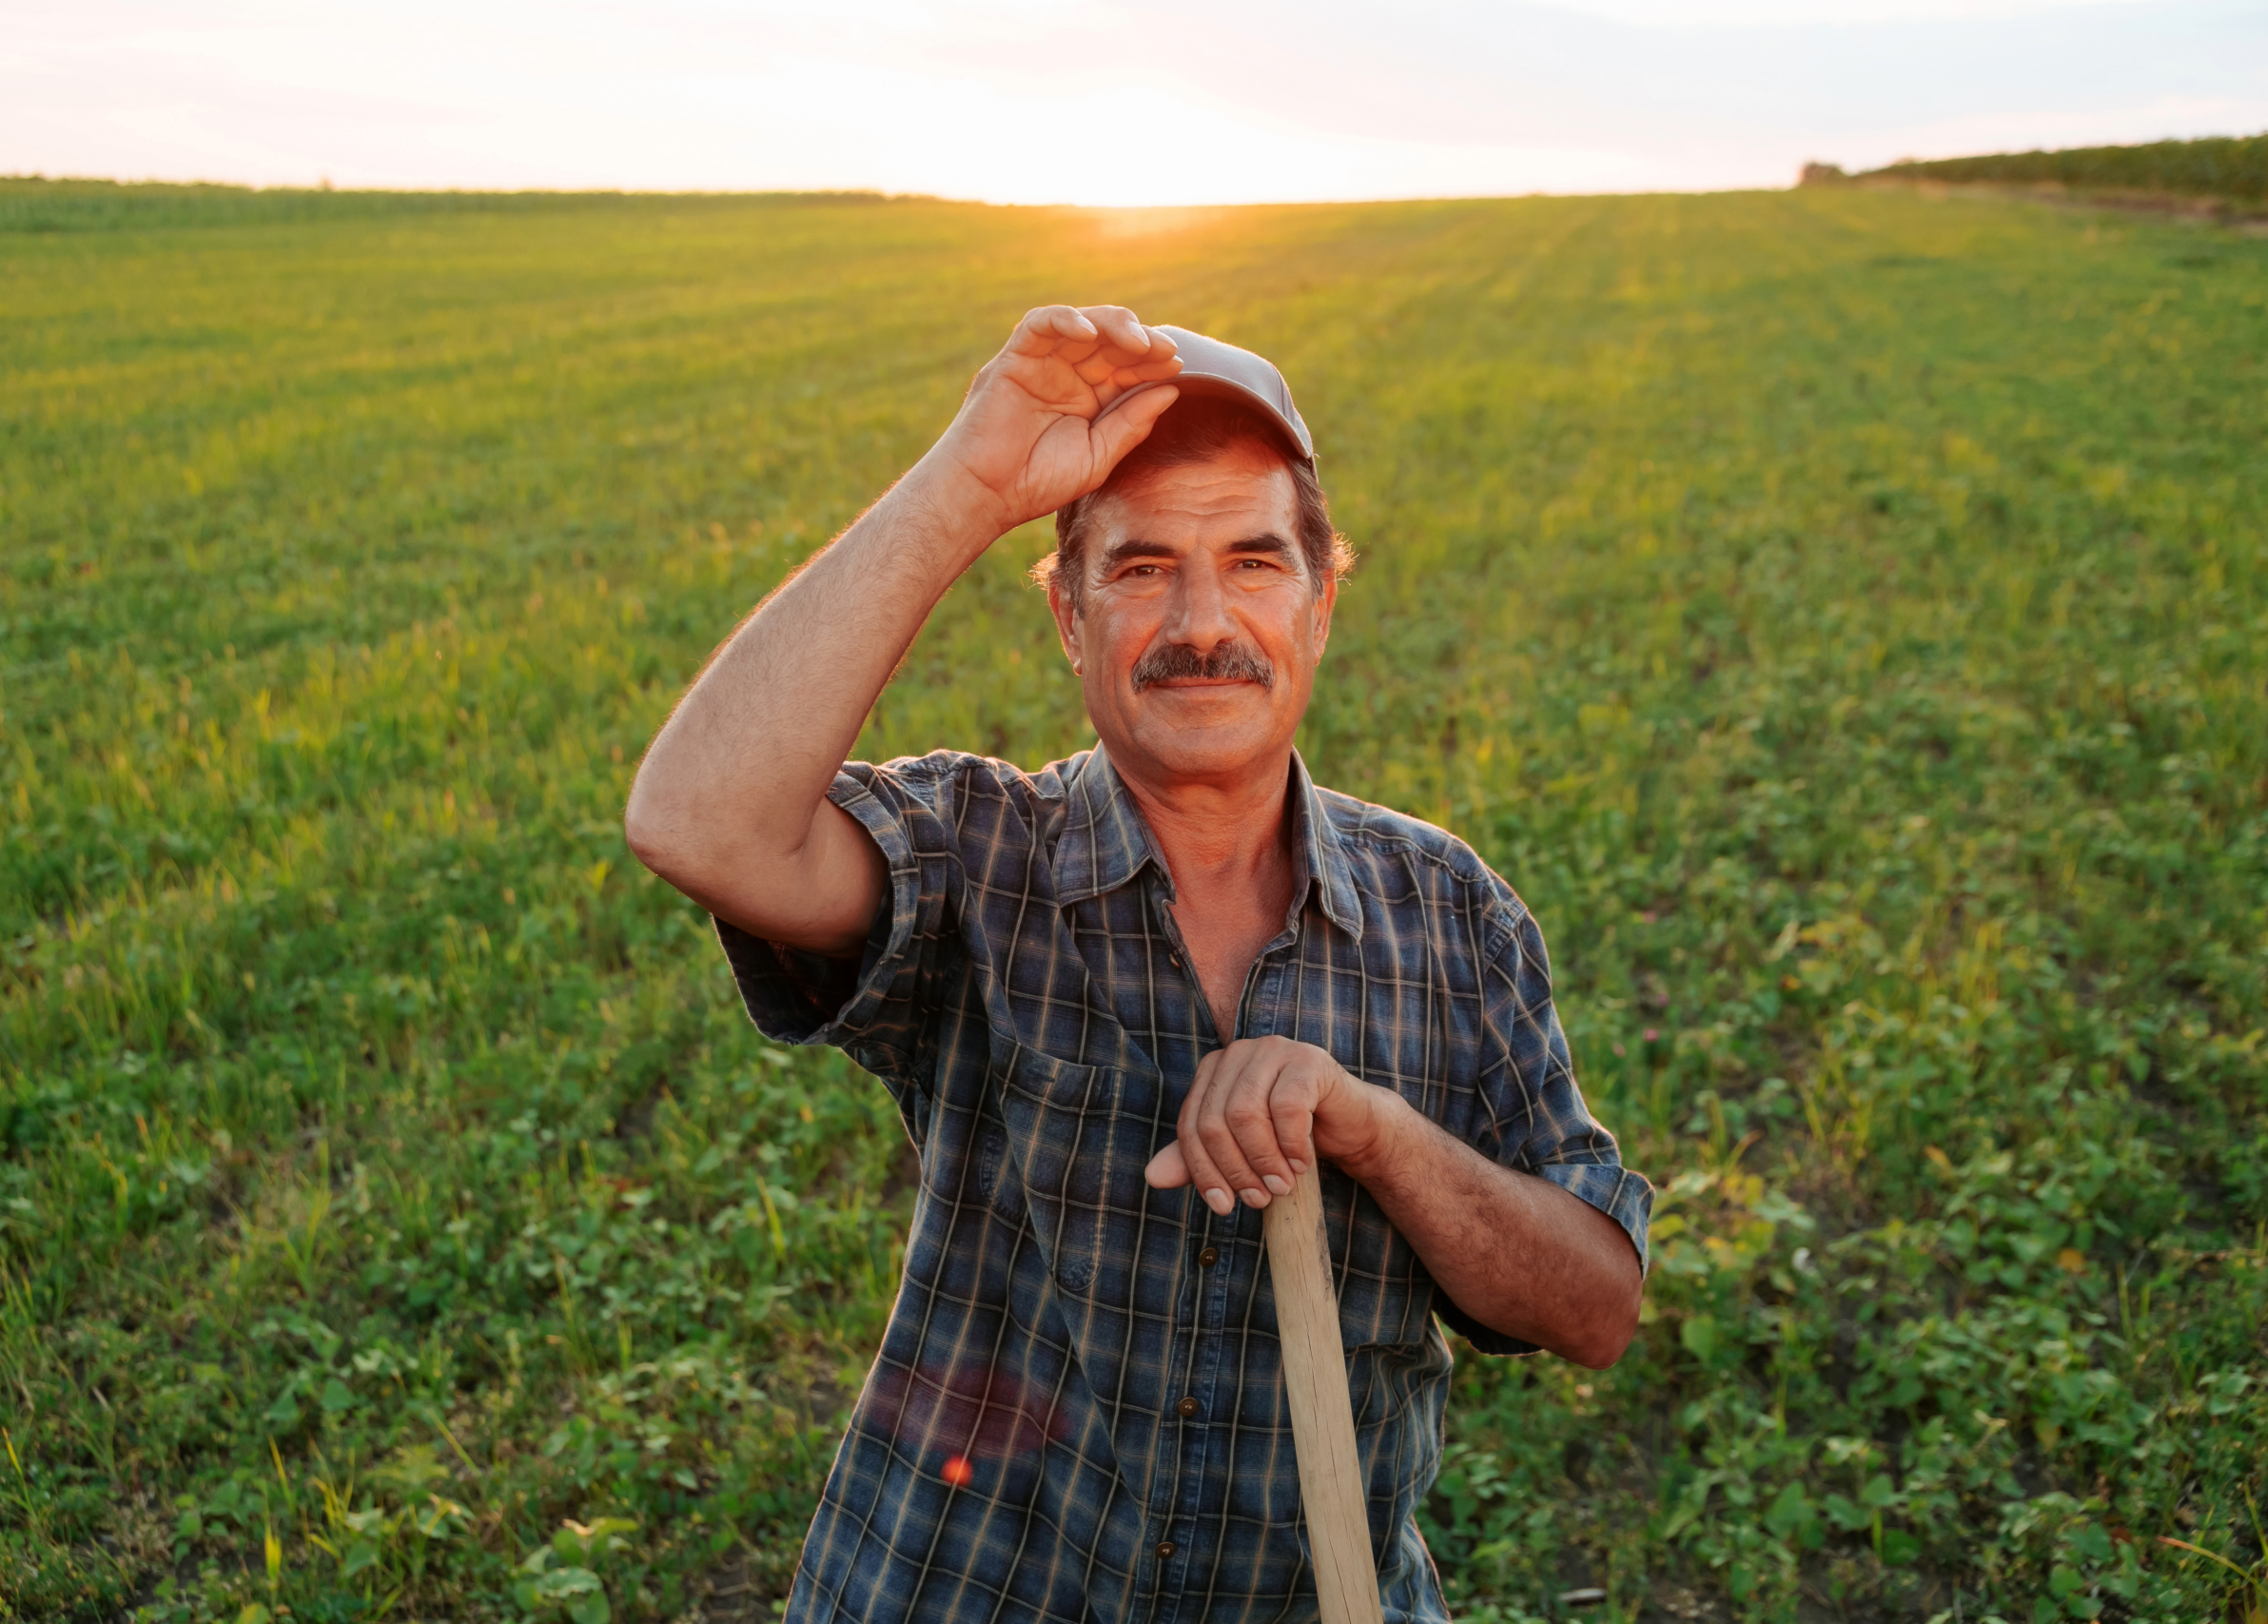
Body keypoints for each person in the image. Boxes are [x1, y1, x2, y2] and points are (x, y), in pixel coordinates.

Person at [625, 306, 1651, 1624]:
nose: (1203, 621)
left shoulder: (1449, 914)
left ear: (1322, 599)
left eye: (1254, 560)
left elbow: (1597, 1306)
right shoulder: (979, 855)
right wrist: (971, 485)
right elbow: (698, 821)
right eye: (1143, 565)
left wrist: (1378, 1133)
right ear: (1067, 613)